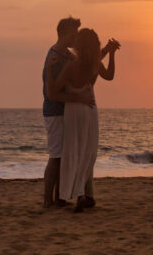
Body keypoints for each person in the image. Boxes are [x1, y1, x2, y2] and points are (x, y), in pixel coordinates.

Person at [52, 28, 119, 212]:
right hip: (89, 108)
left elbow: (56, 90)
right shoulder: (95, 64)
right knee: (87, 151)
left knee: (72, 150)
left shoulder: (71, 65)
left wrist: (73, 92)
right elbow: (110, 76)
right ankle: (81, 194)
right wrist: (111, 53)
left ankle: (66, 194)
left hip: (73, 109)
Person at [41, 16, 94, 208]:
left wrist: (103, 51)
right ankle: (48, 200)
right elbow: (52, 94)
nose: (76, 37)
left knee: (63, 156)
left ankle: (58, 199)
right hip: (54, 112)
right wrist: (79, 98)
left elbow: (87, 65)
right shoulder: (53, 57)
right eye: (74, 33)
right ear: (65, 34)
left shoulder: (68, 56)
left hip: (65, 112)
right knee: (55, 156)